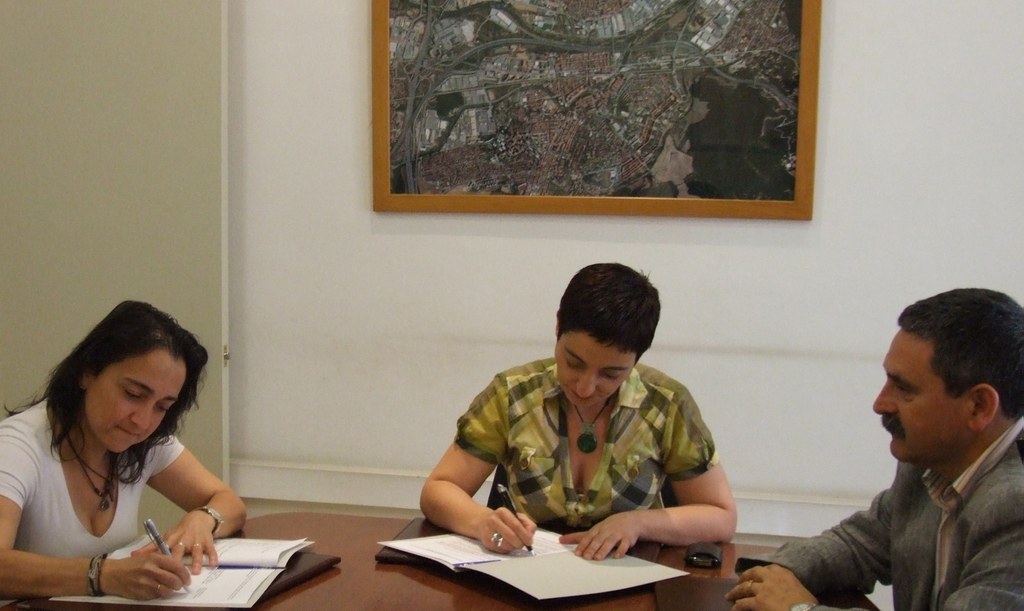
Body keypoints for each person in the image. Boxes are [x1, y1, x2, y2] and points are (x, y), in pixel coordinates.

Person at [727, 288, 1024, 611]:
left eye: (904, 388)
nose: (880, 404)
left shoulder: (1015, 506)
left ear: (979, 406)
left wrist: (797, 609)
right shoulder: (930, 461)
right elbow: (860, 543)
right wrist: (769, 575)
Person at [420, 263, 737, 561]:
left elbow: (721, 517)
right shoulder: (513, 395)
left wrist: (638, 523)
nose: (585, 387)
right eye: (573, 362)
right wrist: (483, 521)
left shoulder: (665, 404)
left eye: (610, 374)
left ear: (636, 359)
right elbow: (438, 490)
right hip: (527, 568)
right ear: (558, 326)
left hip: (629, 572)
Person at [0, 301, 246, 600]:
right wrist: (102, 575)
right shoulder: (17, 446)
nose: (142, 421)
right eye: (133, 394)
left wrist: (203, 519)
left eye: (162, 407)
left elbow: (229, 502)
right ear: (87, 372)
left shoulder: (145, 441)